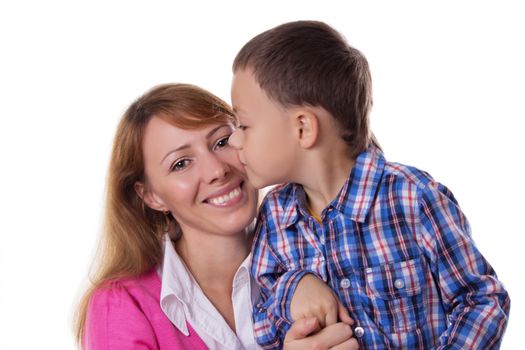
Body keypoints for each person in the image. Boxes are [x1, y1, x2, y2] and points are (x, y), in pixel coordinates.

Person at [228, 20, 510, 349]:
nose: (234, 139)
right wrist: (293, 286)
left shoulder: (413, 198)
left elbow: (482, 299)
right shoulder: (275, 215)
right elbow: (262, 324)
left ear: (303, 128)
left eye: (244, 124)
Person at [74, 83, 358, 349]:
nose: (217, 171)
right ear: (151, 196)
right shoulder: (122, 305)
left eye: (222, 142)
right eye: (181, 164)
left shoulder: (326, 253)